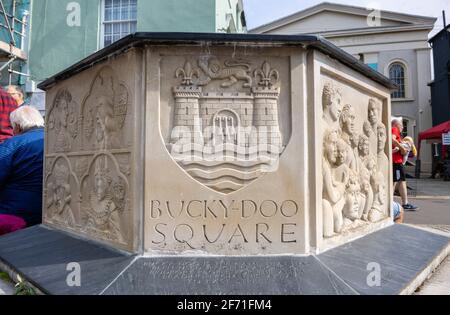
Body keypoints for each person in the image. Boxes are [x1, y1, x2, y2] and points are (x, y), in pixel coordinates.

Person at [0, 106, 45, 228]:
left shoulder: (13, 144)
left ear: (17, 126)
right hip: (48, 210)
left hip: (14, 212)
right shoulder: (55, 139)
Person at [392, 118, 418, 211]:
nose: (402, 127)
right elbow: (392, 139)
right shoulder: (394, 129)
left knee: (395, 181)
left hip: (396, 161)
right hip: (396, 162)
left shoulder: (397, 133)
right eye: (401, 125)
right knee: (401, 181)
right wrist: (402, 148)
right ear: (396, 125)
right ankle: (405, 203)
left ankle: (390, 202)